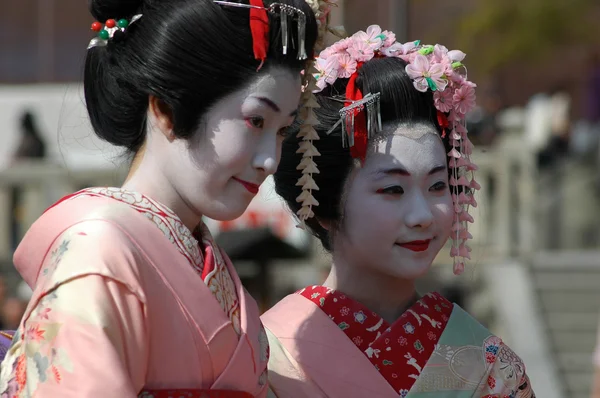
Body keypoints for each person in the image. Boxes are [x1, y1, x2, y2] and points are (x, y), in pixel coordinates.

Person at [0, 0, 320, 396]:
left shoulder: (206, 260)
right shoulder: (98, 253)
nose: (270, 159)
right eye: (256, 121)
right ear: (167, 109)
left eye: (282, 131)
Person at [261, 26, 535, 397]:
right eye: (393, 189)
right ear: (323, 205)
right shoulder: (269, 353)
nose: (423, 214)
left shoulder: (488, 367)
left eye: (438, 185)